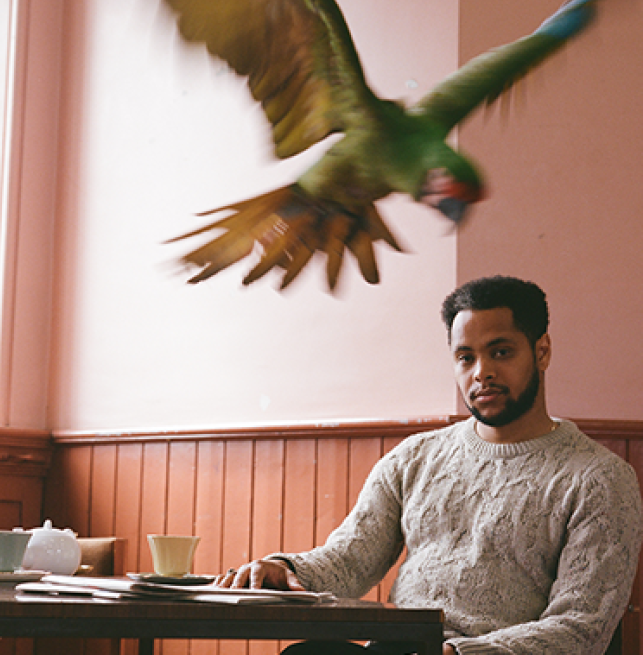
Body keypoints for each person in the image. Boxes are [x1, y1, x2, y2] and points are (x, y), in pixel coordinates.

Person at [217, 275, 643, 655]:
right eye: (466, 357)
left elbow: (581, 628)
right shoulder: (414, 457)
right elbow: (348, 561)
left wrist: (459, 653)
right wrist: (286, 570)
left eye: (500, 352)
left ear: (542, 351)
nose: (481, 373)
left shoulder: (600, 478)